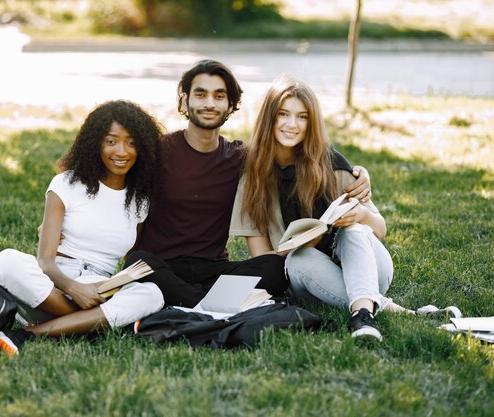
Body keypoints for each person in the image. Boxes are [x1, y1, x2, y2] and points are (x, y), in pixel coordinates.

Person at [127, 60, 372, 309]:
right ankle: (208, 307)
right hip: (160, 267)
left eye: (219, 96)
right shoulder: (156, 152)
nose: (209, 103)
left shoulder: (241, 159)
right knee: (138, 262)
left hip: (214, 271)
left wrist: (358, 173)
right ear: (184, 100)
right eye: (200, 94)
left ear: (231, 104)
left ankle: (197, 304)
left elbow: (291, 157)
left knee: (275, 267)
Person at [230, 76, 412, 341]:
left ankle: (363, 309)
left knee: (354, 231)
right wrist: (302, 243)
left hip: (367, 268)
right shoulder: (252, 178)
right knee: (299, 258)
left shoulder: (332, 163)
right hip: (311, 278)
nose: (292, 124)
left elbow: (380, 230)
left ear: (311, 123)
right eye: (283, 114)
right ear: (270, 118)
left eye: (302, 117)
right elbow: (261, 261)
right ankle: (371, 308)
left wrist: (361, 215)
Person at [0, 100, 165, 354]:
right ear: (95, 143)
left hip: (99, 286)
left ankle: (30, 333)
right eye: (111, 141)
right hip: (50, 288)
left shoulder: (140, 200)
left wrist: (109, 289)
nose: (122, 151)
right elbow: (45, 261)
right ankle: (89, 323)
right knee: (7, 261)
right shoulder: (66, 184)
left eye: (131, 142)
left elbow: (131, 264)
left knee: (152, 294)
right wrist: (74, 289)